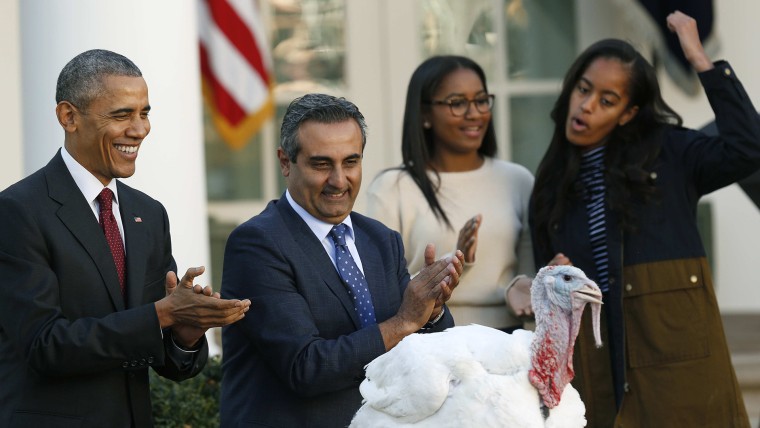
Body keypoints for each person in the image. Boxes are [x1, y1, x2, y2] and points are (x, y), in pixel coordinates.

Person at [0, 49, 251, 428]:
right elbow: (44, 346)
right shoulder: (18, 211)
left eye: (144, 113)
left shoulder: (148, 215)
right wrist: (162, 314)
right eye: (121, 115)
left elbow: (163, 358)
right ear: (69, 117)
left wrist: (186, 331)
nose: (139, 129)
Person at [529, 11, 757, 428]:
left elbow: (748, 148)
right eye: (583, 89)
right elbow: (545, 278)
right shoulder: (550, 183)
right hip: (595, 366)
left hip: (672, 360)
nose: (585, 106)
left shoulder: (671, 154)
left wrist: (700, 60)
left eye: (607, 101)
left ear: (629, 113)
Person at [219, 93, 464, 428]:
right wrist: (406, 321)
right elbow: (306, 367)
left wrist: (431, 314)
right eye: (321, 164)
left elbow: (425, 359)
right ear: (285, 162)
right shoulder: (257, 244)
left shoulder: (381, 240)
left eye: (351, 162)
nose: (338, 180)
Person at [366, 55, 535, 331]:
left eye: (481, 100)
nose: (474, 113)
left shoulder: (517, 180)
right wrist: (455, 263)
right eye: (457, 103)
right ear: (424, 116)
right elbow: (380, 291)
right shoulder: (392, 188)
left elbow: (529, 276)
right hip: (430, 345)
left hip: (505, 346)